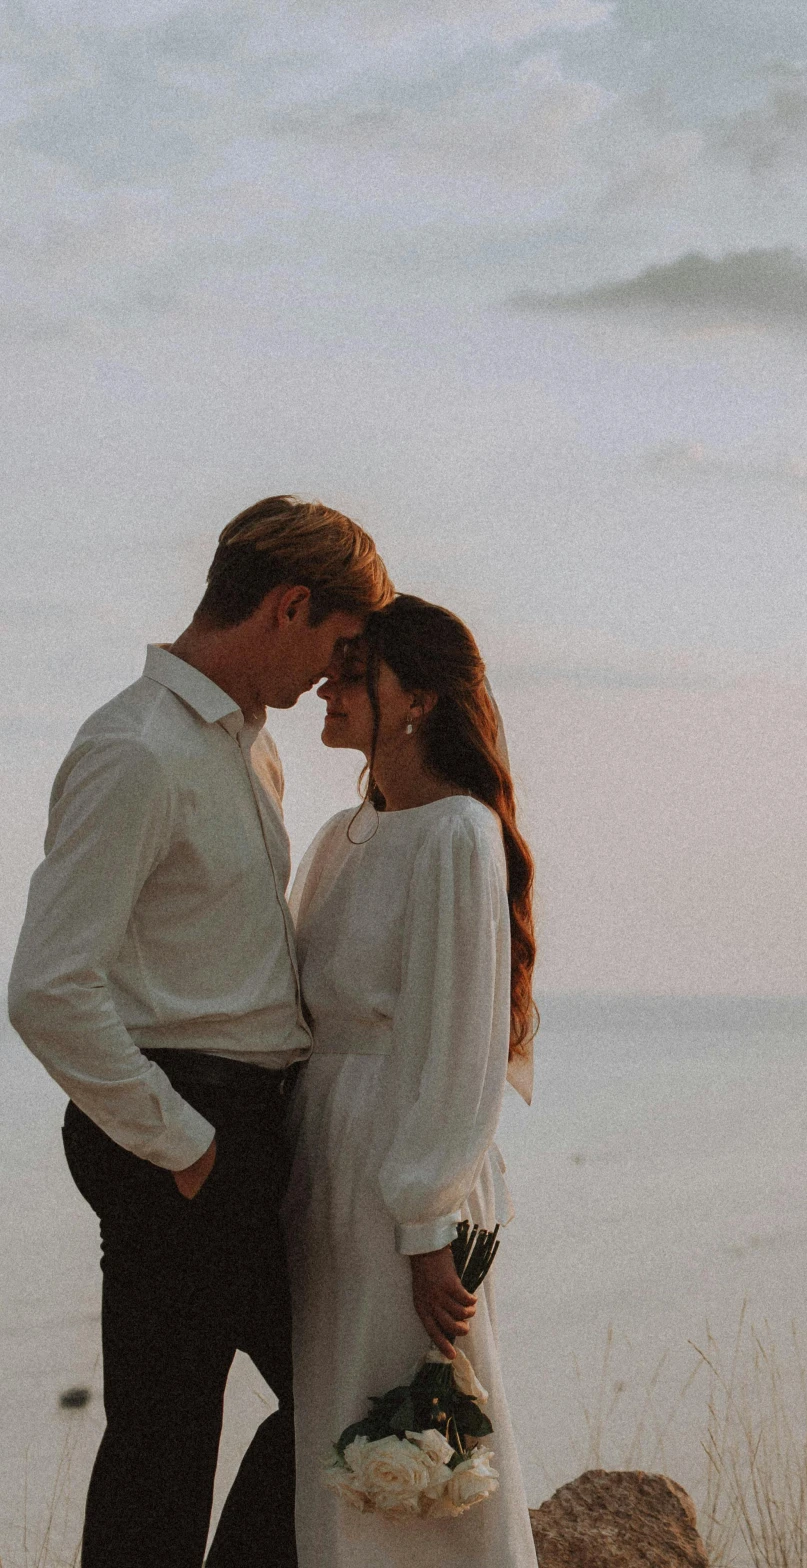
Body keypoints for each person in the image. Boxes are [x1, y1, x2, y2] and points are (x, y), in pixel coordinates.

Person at [7, 497, 394, 1568]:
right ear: (290, 605)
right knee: (191, 1435)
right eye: (335, 645)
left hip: (235, 1121)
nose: (331, 676)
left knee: (313, 1405)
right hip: (180, 1121)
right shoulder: (136, 749)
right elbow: (45, 985)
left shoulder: (247, 747)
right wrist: (185, 1144)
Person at [286, 593, 539, 1566]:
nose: (328, 684)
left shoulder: (457, 835)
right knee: (337, 1423)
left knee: (416, 1429)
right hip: (329, 1158)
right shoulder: (344, 836)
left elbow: (457, 1039)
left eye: (356, 669)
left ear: (420, 696)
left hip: (402, 1169)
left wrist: (428, 1221)